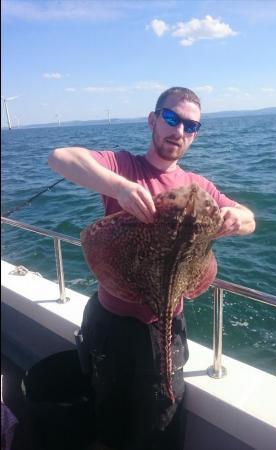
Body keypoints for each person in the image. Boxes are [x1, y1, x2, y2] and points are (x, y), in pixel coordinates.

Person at [48, 87, 256, 450]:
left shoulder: (199, 186)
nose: (179, 131)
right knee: (110, 414)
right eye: (172, 118)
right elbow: (60, 158)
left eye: (190, 126)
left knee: (163, 418)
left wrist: (235, 219)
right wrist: (120, 188)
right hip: (110, 326)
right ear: (153, 120)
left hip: (166, 327)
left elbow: (250, 219)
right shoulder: (125, 165)